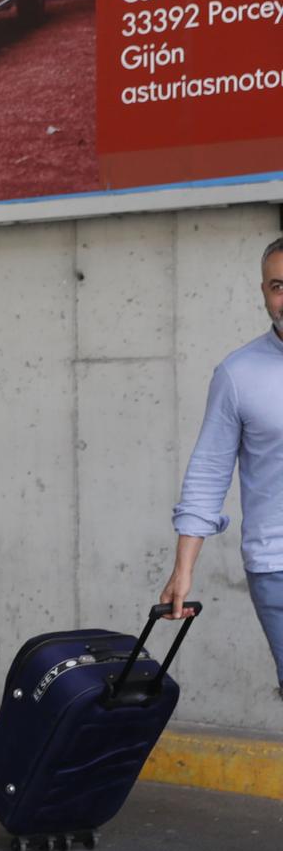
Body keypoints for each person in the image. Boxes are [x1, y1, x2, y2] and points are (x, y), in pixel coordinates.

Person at [160, 238, 283, 692]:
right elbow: (209, 473)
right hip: (278, 566)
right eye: (278, 286)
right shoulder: (238, 374)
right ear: (264, 292)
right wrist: (183, 568)